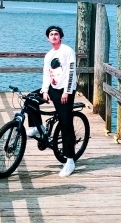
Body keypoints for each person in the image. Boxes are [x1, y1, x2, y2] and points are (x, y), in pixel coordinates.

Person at [26, 25, 77, 177]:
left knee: (65, 122)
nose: (54, 36)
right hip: (53, 89)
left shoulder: (67, 51)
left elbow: (71, 71)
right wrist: (45, 90)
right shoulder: (49, 55)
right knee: (30, 100)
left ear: (60, 36)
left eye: (56, 34)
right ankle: (38, 126)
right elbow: (46, 74)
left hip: (65, 90)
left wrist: (67, 92)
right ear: (48, 38)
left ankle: (70, 161)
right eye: (51, 35)